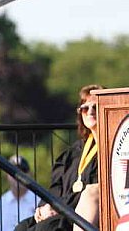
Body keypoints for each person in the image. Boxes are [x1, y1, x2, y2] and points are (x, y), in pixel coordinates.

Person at [15, 84, 103, 231]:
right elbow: (55, 188)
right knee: (22, 227)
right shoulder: (71, 154)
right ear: (80, 113)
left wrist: (57, 207)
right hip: (58, 210)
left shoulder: (108, 150)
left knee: (45, 228)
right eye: (85, 108)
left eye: (95, 107)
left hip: (78, 213)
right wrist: (44, 207)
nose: (90, 112)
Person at [0, 155, 41, 231]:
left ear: (30, 174)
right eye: (13, 171)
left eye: (23, 170)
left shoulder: (40, 203)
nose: (18, 175)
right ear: (7, 175)